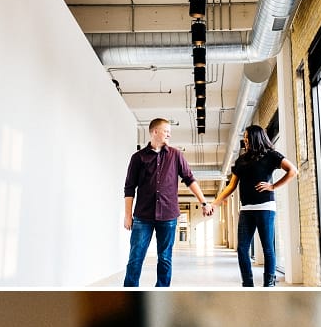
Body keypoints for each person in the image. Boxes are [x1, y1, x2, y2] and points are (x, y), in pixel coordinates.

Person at [123, 117, 214, 287]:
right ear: (154, 132)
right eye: (166, 131)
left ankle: (161, 293)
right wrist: (128, 215)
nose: (169, 135)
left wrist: (204, 202)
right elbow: (129, 188)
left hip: (168, 216)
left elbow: (189, 179)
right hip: (143, 216)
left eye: (170, 132)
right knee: (135, 258)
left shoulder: (176, 155)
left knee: (165, 258)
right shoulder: (138, 158)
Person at [209, 123, 299, 286]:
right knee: (242, 249)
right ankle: (248, 283)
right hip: (246, 210)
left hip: (265, 208)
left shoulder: (271, 155)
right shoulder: (242, 160)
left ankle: (269, 282)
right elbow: (231, 186)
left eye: (247, 138)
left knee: (267, 248)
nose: (246, 142)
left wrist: (273, 186)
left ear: (256, 138)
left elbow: (292, 171)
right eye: (244, 139)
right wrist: (214, 203)